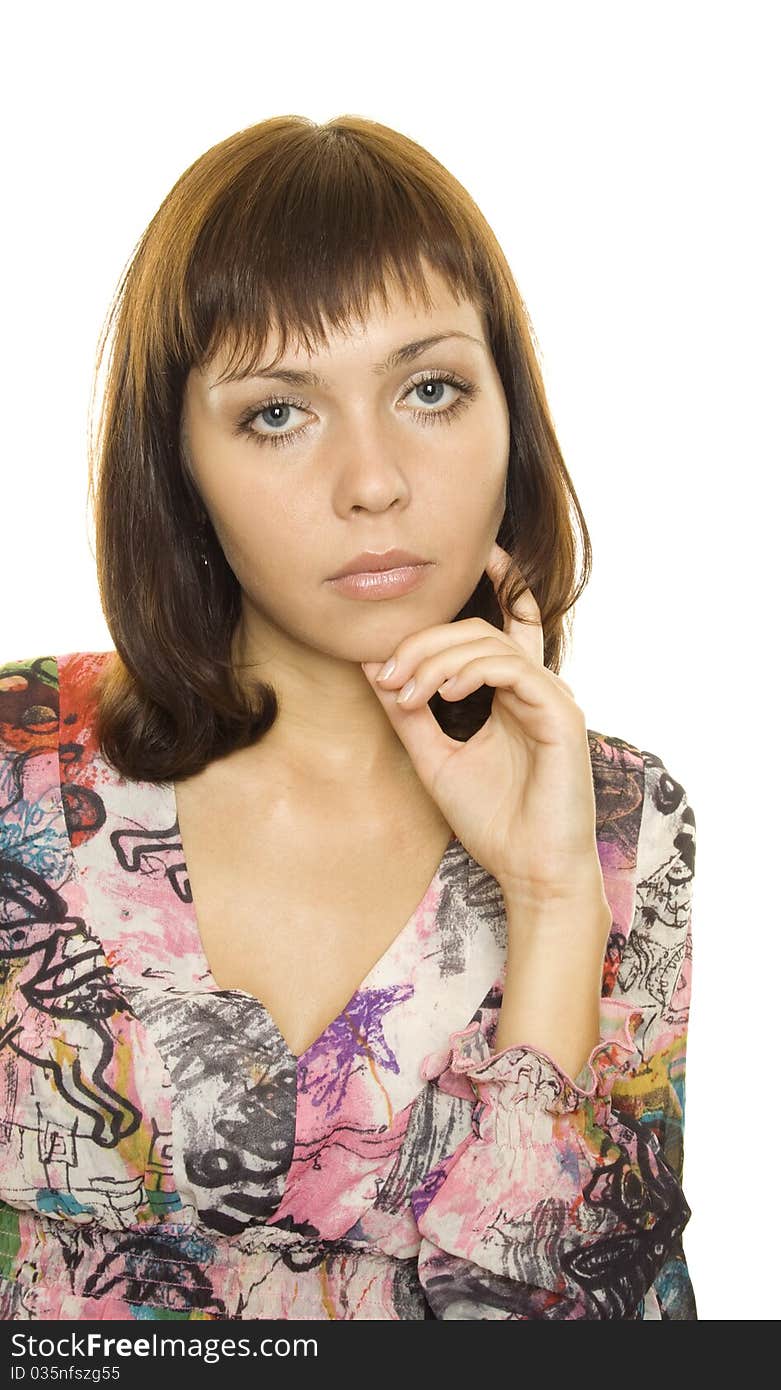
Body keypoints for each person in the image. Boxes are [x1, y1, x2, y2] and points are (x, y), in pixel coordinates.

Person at [0, 114, 697, 1320]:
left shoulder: (625, 822)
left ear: (509, 417)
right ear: (180, 463)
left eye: (430, 389)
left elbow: (592, 1314)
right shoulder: (22, 766)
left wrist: (549, 900)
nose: (372, 481)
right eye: (279, 411)